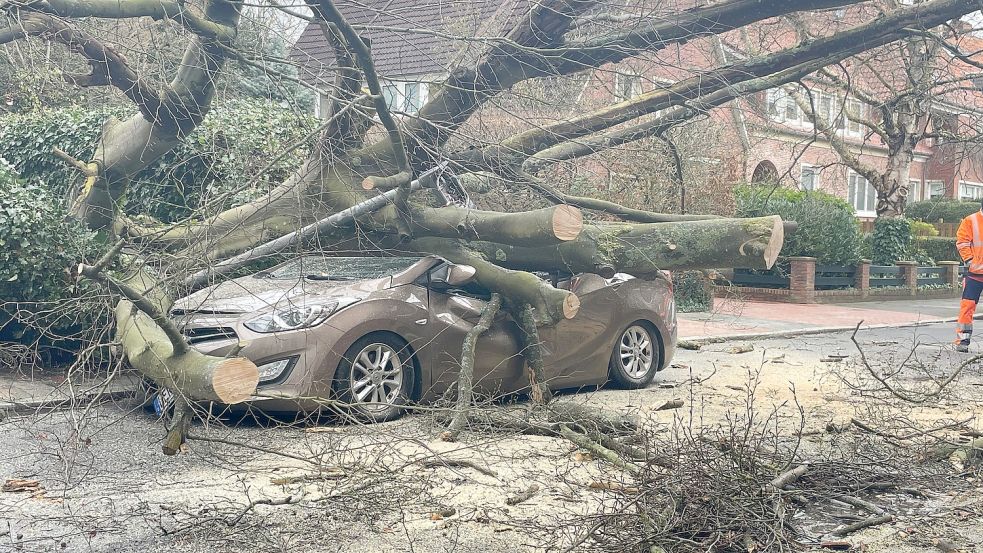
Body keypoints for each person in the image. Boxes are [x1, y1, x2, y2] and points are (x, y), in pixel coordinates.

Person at [954, 198, 983, 352]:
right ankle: (962, 341)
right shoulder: (971, 221)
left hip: (975, 272)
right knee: (968, 306)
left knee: (968, 306)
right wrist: (970, 260)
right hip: (974, 274)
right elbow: (962, 242)